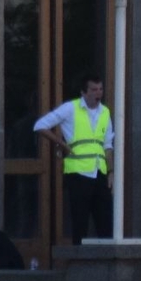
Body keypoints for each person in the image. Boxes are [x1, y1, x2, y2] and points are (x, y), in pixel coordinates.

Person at [32, 77, 113, 242]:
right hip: (78, 173)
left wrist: (111, 171)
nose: (98, 94)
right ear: (83, 92)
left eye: (100, 89)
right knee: (80, 222)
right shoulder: (71, 108)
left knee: (105, 222)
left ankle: (104, 264)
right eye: (93, 90)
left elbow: (107, 145)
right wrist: (62, 143)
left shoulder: (105, 112)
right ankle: (79, 263)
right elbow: (40, 125)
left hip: (99, 172)